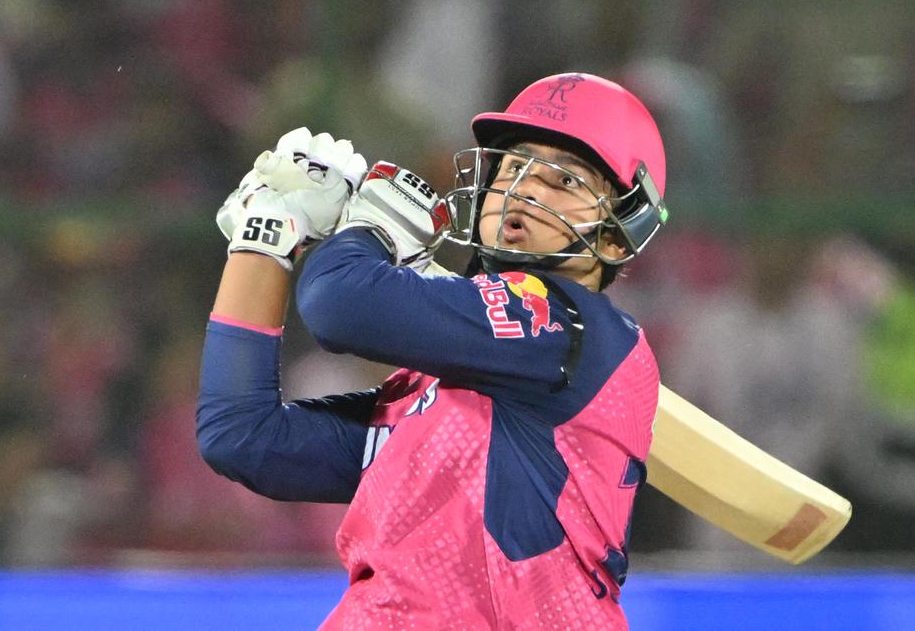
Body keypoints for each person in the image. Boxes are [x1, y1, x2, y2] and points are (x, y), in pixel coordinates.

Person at [197, 73, 670, 629]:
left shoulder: (571, 327)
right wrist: (264, 240)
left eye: (563, 180)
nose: (523, 189)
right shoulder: (441, 391)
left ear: (617, 231)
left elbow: (338, 303)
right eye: (512, 168)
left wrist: (374, 226)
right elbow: (244, 437)